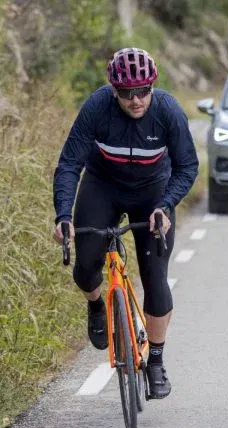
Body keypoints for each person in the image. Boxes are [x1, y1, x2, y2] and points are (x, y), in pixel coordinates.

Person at [52, 47, 199, 399]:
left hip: (154, 192)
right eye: (127, 94)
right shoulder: (97, 108)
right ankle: (96, 305)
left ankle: (157, 362)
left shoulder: (167, 111)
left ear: (153, 86)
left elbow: (188, 166)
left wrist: (165, 205)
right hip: (103, 186)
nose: (137, 101)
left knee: (155, 275)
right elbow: (70, 163)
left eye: (144, 91)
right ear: (113, 90)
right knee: (86, 264)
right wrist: (63, 215)